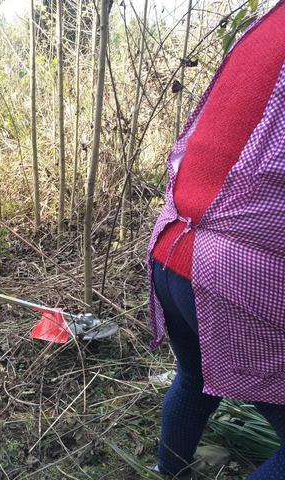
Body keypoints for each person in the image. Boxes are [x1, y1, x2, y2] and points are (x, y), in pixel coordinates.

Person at [148, 1, 285, 478]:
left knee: (194, 378)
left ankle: (169, 471)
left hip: (171, 247)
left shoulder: (265, 25)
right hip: (228, 275)